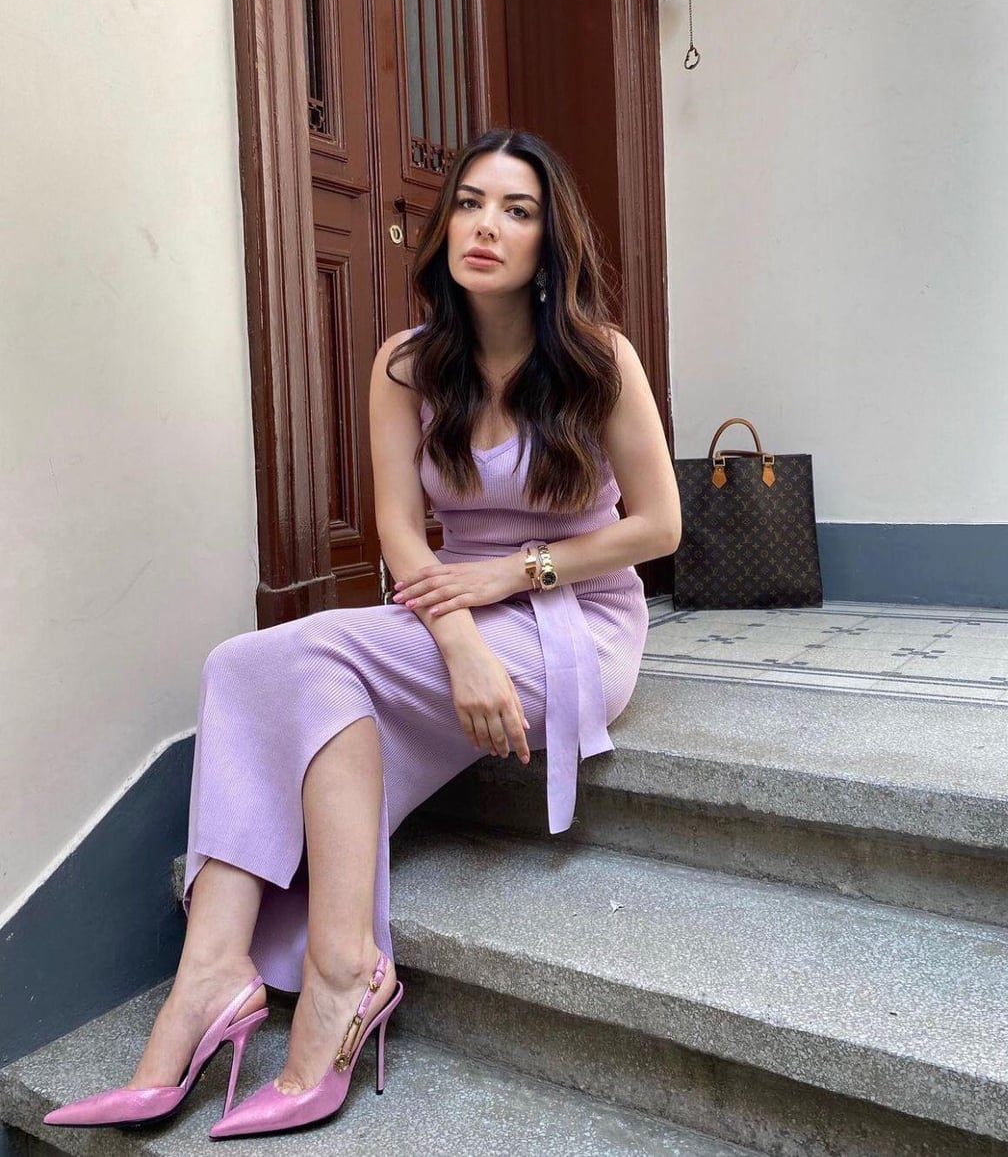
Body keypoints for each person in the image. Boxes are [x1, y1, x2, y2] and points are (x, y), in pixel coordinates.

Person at [43, 128, 681, 1139]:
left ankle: (304, 977)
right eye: (470, 202)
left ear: (548, 245)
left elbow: (659, 527)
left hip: (575, 622)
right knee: (253, 664)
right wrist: (460, 640)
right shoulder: (407, 363)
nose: (486, 226)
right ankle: (242, 974)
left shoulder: (600, 359)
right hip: (448, 613)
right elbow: (397, 528)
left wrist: (512, 574)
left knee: (306, 658)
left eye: (517, 211)